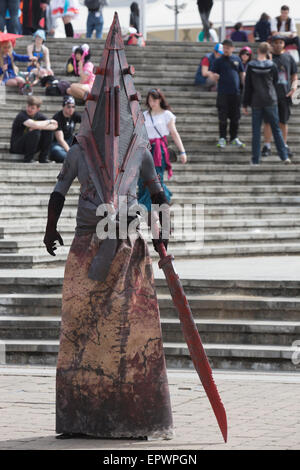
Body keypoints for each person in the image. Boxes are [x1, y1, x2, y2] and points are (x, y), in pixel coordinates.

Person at [43, 13, 174, 440]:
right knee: (82, 327)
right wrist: (50, 228)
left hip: (128, 247)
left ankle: (133, 414)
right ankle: (84, 413)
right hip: (87, 242)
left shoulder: (140, 152)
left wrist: (162, 233)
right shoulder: (81, 151)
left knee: (129, 332)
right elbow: (60, 192)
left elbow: (158, 195)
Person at [138, 88, 187, 212]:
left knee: (157, 178)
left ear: (159, 99)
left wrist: (182, 151)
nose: (152, 103)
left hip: (159, 150)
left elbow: (174, 133)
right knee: (143, 178)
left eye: (154, 100)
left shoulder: (167, 115)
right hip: (146, 149)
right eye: (149, 100)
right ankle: (147, 207)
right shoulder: (144, 115)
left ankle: (157, 204)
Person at [242, 42, 290, 165]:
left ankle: (256, 159)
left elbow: (248, 87)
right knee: (276, 129)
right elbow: (275, 81)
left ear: (258, 51)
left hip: (256, 100)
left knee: (256, 131)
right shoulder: (272, 65)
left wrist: (245, 104)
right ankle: (284, 156)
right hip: (270, 99)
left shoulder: (251, 66)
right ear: (268, 53)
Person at [262, 35, 298, 158]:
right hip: (270, 95)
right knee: (268, 122)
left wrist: (294, 87)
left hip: (284, 94)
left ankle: (284, 145)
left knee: (283, 121)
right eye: (276, 42)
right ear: (272, 44)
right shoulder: (266, 57)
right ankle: (267, 145)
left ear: (284, 44)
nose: (278, 45)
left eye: (281, 42)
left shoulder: (289, 57)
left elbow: (294, 74)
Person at [211, 39, 245, 148]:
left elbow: (241, 73)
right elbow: (213, 73)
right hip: (223, 93)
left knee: (235, 117)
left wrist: (245, 86)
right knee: (223, 117)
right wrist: (215, 77)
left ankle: (234, 138)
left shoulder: (237, 59)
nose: (226, 49)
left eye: (228, 47)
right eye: (224, 47)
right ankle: (222, 138)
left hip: (235, 93)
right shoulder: (218, 61)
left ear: (232, 48)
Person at [10, 95, 58, 163]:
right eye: (28, 106)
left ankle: (43, 158)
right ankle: (28, 159)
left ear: (38, 109)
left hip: (33, 145)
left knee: (48, 131)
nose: (29, 109)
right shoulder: (21, 115)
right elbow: (34, 124)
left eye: (32, 108)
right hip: (17, 146)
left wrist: (40, 126)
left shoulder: (39, 116)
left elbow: (55, 126)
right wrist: (49, 121)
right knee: (36, 131)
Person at [49, 96, 81, 163]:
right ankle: (74, 159)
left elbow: (87, 123)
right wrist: (70, 153)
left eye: (73, 107)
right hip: (58, 144)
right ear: (63, 106)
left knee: (80, 136)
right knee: (56, 151)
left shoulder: (75, 115)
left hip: (69, 141)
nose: (71, 109)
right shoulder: (57, 117)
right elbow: (60, 140)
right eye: (68, 107)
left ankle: (75, 158)